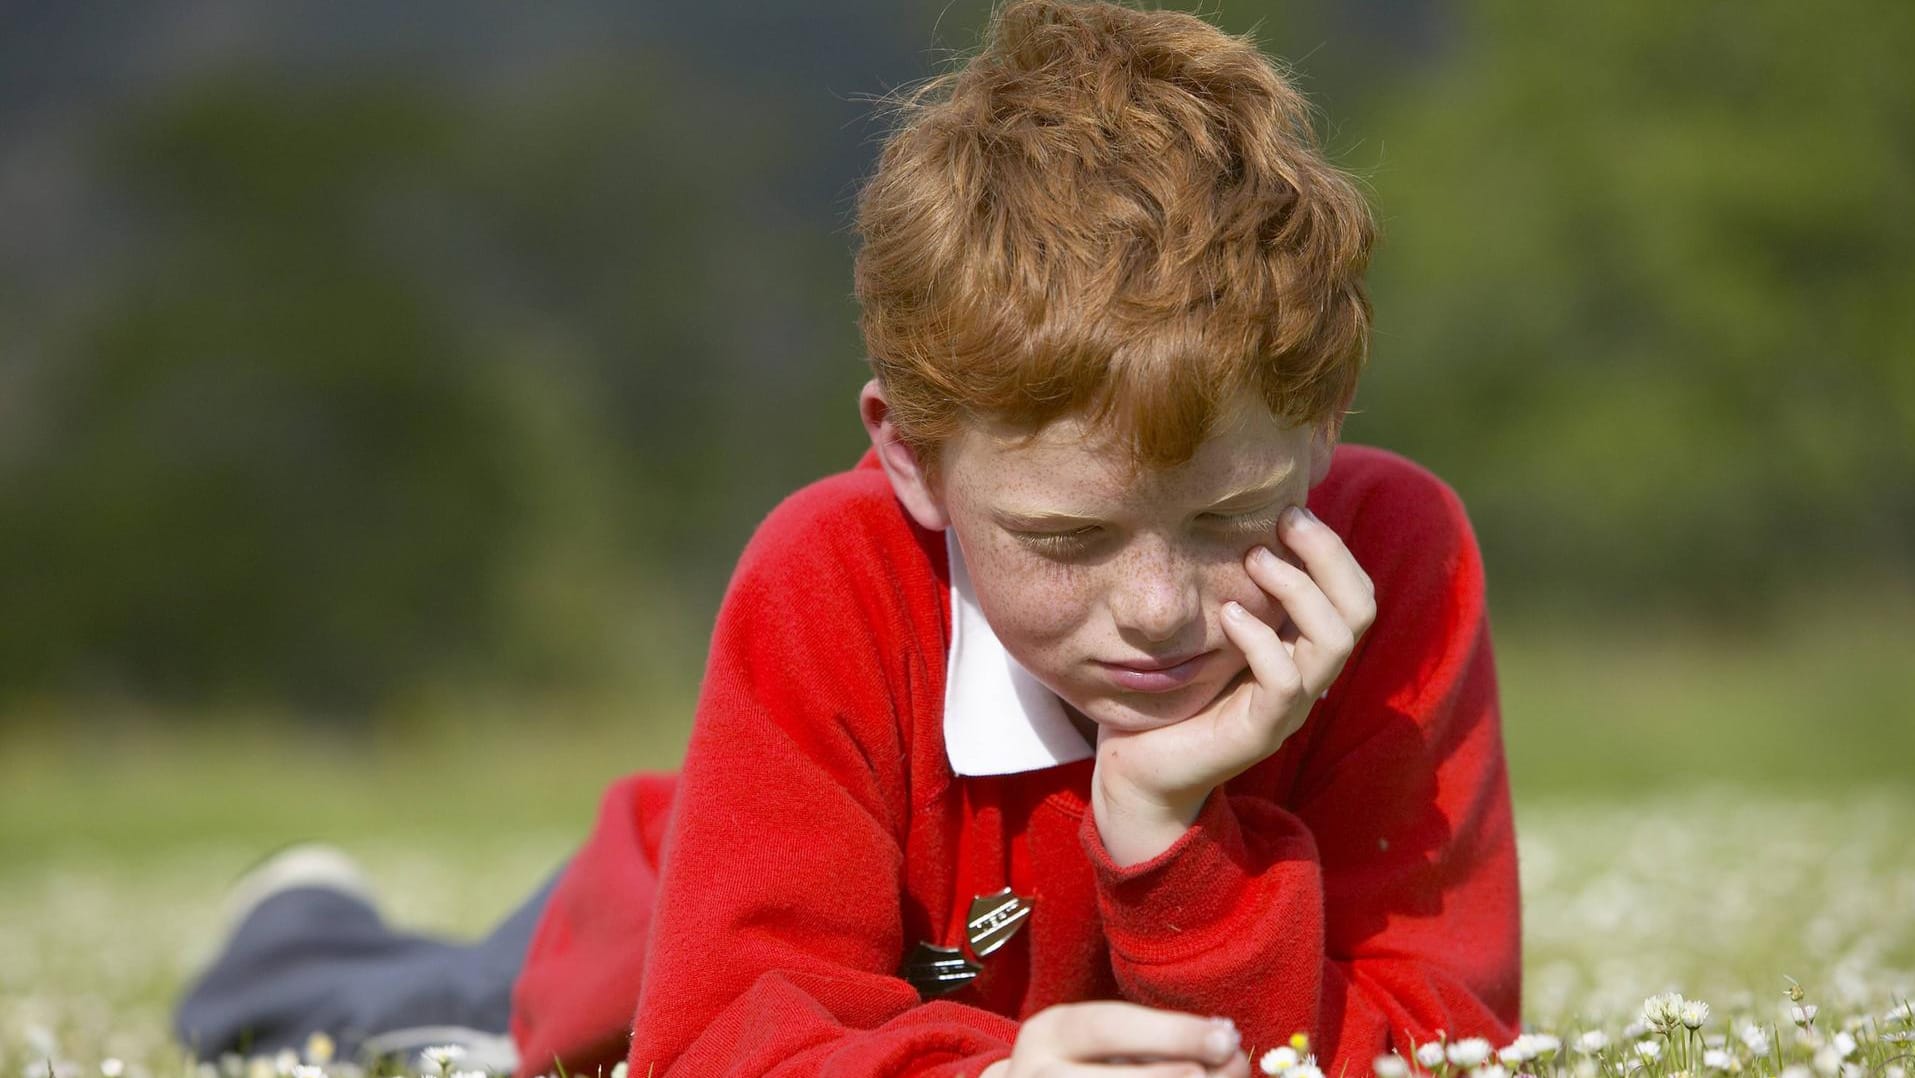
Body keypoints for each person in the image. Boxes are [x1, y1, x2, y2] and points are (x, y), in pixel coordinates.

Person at [176, 1, 1522, 1075]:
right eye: (1066, 535)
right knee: (414, 1023)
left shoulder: (1400, 557)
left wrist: (1174, 839)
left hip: (880, 955)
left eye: (1233, 515)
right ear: (911, 457)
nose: (1161, 607)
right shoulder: (826, 570)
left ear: (1324, 423)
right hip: (673, 912)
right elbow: (716, 1039)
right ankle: (294, 925)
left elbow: (1446, 1035)